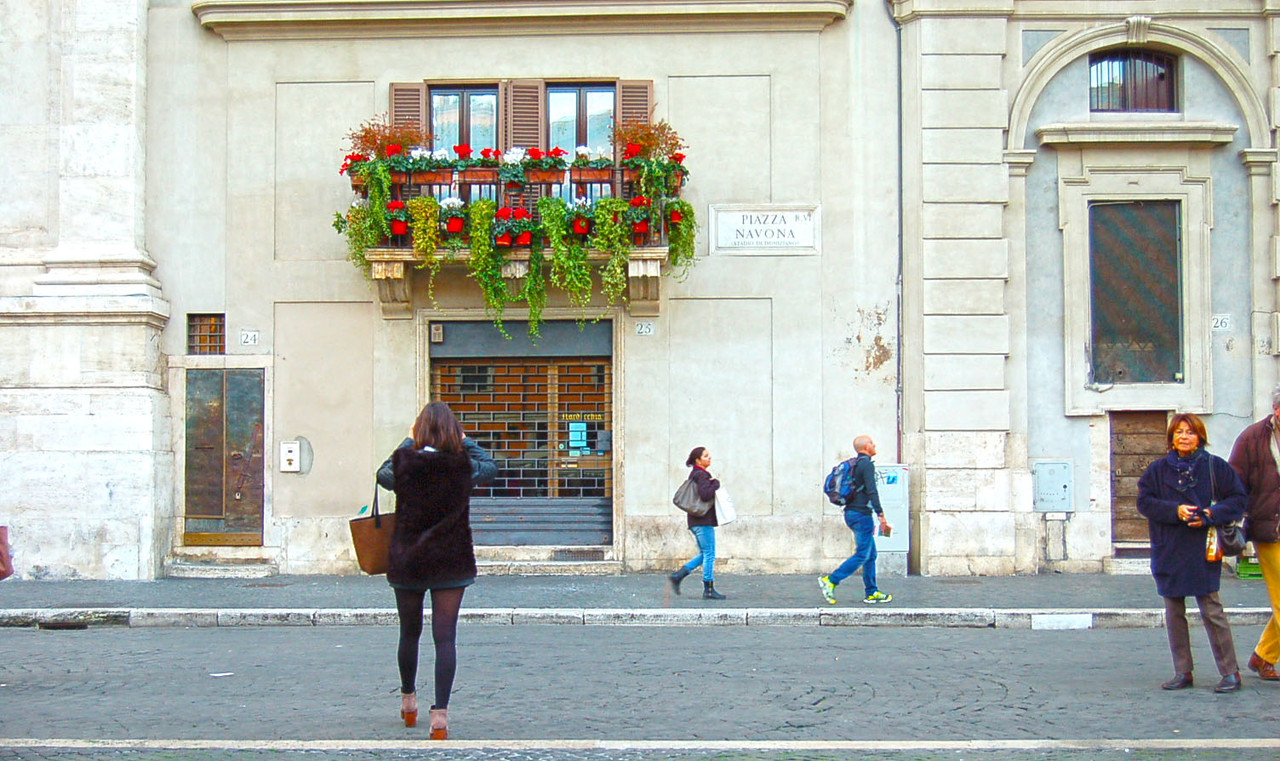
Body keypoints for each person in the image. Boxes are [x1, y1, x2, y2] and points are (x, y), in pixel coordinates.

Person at [376, 401, 497, 737]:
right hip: (450, 560)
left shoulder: (404, 464)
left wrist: (407, 441)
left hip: (409, 560)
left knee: (409, 633)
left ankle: (408, 699)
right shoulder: (462, 466)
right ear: (452, 431)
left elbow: (382, 474)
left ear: (418, 430)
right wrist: (464, 439)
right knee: (445, 639)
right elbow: (490, 466)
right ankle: (440, 716)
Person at [1137, 412, 1246, 693]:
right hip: (1169, 547)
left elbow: (1238, 500)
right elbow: (1144, 502)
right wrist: (1174, 510)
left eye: (1190, 432)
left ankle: (1230, 672)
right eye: (1179, 432)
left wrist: (1210, 513)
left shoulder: (1214, 467)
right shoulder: (1157, 470)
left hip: (1203, 547)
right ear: (1171, 438)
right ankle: (1183, 671)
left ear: (1200, 437)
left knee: (1212, 610)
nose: (1184, 437)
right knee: (1174, 613)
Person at [1228, 384, 1280, 682]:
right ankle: (1264, 657)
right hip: (1269, 529)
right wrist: (1233, 520)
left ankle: (1264, 656)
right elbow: (1235, 484)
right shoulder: (1252, 438)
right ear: (1276, 409)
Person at [819, 435, 892, 605]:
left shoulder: (854, 464)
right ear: (866, 447)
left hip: (852, 513)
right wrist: (881, 515)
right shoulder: (866, 465)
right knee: (862, 554)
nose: (875, 445)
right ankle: (831, 580)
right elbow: (872, 491)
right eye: (872, 443)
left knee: (871, 554)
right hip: (861, 515)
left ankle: (872, 592)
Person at [667, 446, 727, 600]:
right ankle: (708, 590)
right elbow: (706, 495)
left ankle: (678, 576)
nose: (709, 457)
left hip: (696, 521)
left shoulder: (696, 474)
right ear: (698, 460)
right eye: (706, 456)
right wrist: (716, 483)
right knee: (709, 554)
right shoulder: (701, 475)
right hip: (702, 521)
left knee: (705, 553)